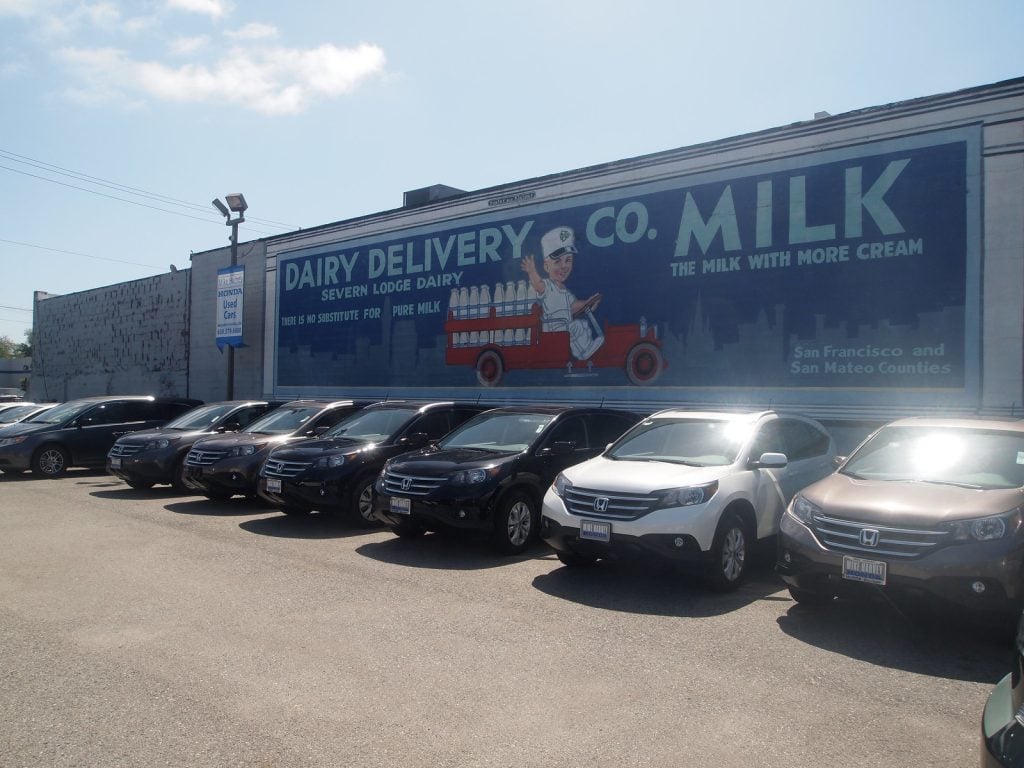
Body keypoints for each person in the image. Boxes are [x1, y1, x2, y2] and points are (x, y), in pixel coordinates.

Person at [521, 226, 604, 360]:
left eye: (568, 260)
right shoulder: (548, 286)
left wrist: (588, 302)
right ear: (546, 266)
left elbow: (574, 305)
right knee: (576, 326)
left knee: (581, 324)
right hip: (554, 328)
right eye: (557, 261)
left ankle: (583, 349)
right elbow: (538, 285)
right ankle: (584, 351)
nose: (564, 266)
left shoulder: (565, 291)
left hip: (565, 325)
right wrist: (532, 271)